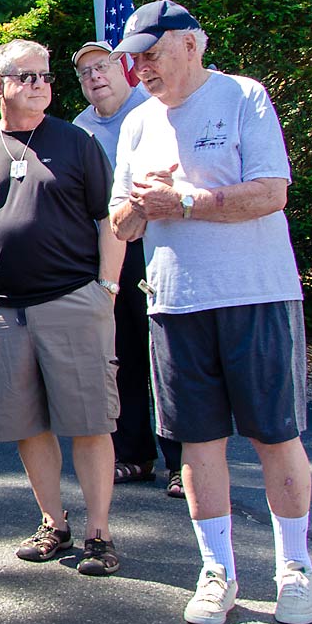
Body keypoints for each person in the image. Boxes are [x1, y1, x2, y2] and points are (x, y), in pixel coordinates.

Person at [109, 0, 312, 624]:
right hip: (175, 302)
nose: (138, 66)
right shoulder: (137, 122)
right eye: (133, 56)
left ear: (192, 45)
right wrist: (145, 206)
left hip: (255, 295)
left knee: (275, 435)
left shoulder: (243, 96)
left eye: (151, 52)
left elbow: (272, 192)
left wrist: (187, 200)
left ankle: (295, 570)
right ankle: (218, 572)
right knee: (199, 444)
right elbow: (120, 224)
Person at [0, 39, 124, 577]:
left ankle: (99, 534)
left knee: (90, 423)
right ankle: (54, 522)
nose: (40, 84)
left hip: (72, 303)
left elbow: (108, 217)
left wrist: (107, 290)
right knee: (27, 424)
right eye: (26, 76)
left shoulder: (77, 142)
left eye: (45, 76)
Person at [68, 41, 174, 494]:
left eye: (103, 66)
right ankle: (135, 455)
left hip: (163, 246)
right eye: (85, 72)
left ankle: (186, 460)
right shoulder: (79, 128)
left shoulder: (153, 110)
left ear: (123, 67)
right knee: (122, 352)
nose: (95, 77)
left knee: (169, 354)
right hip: (111, 251)